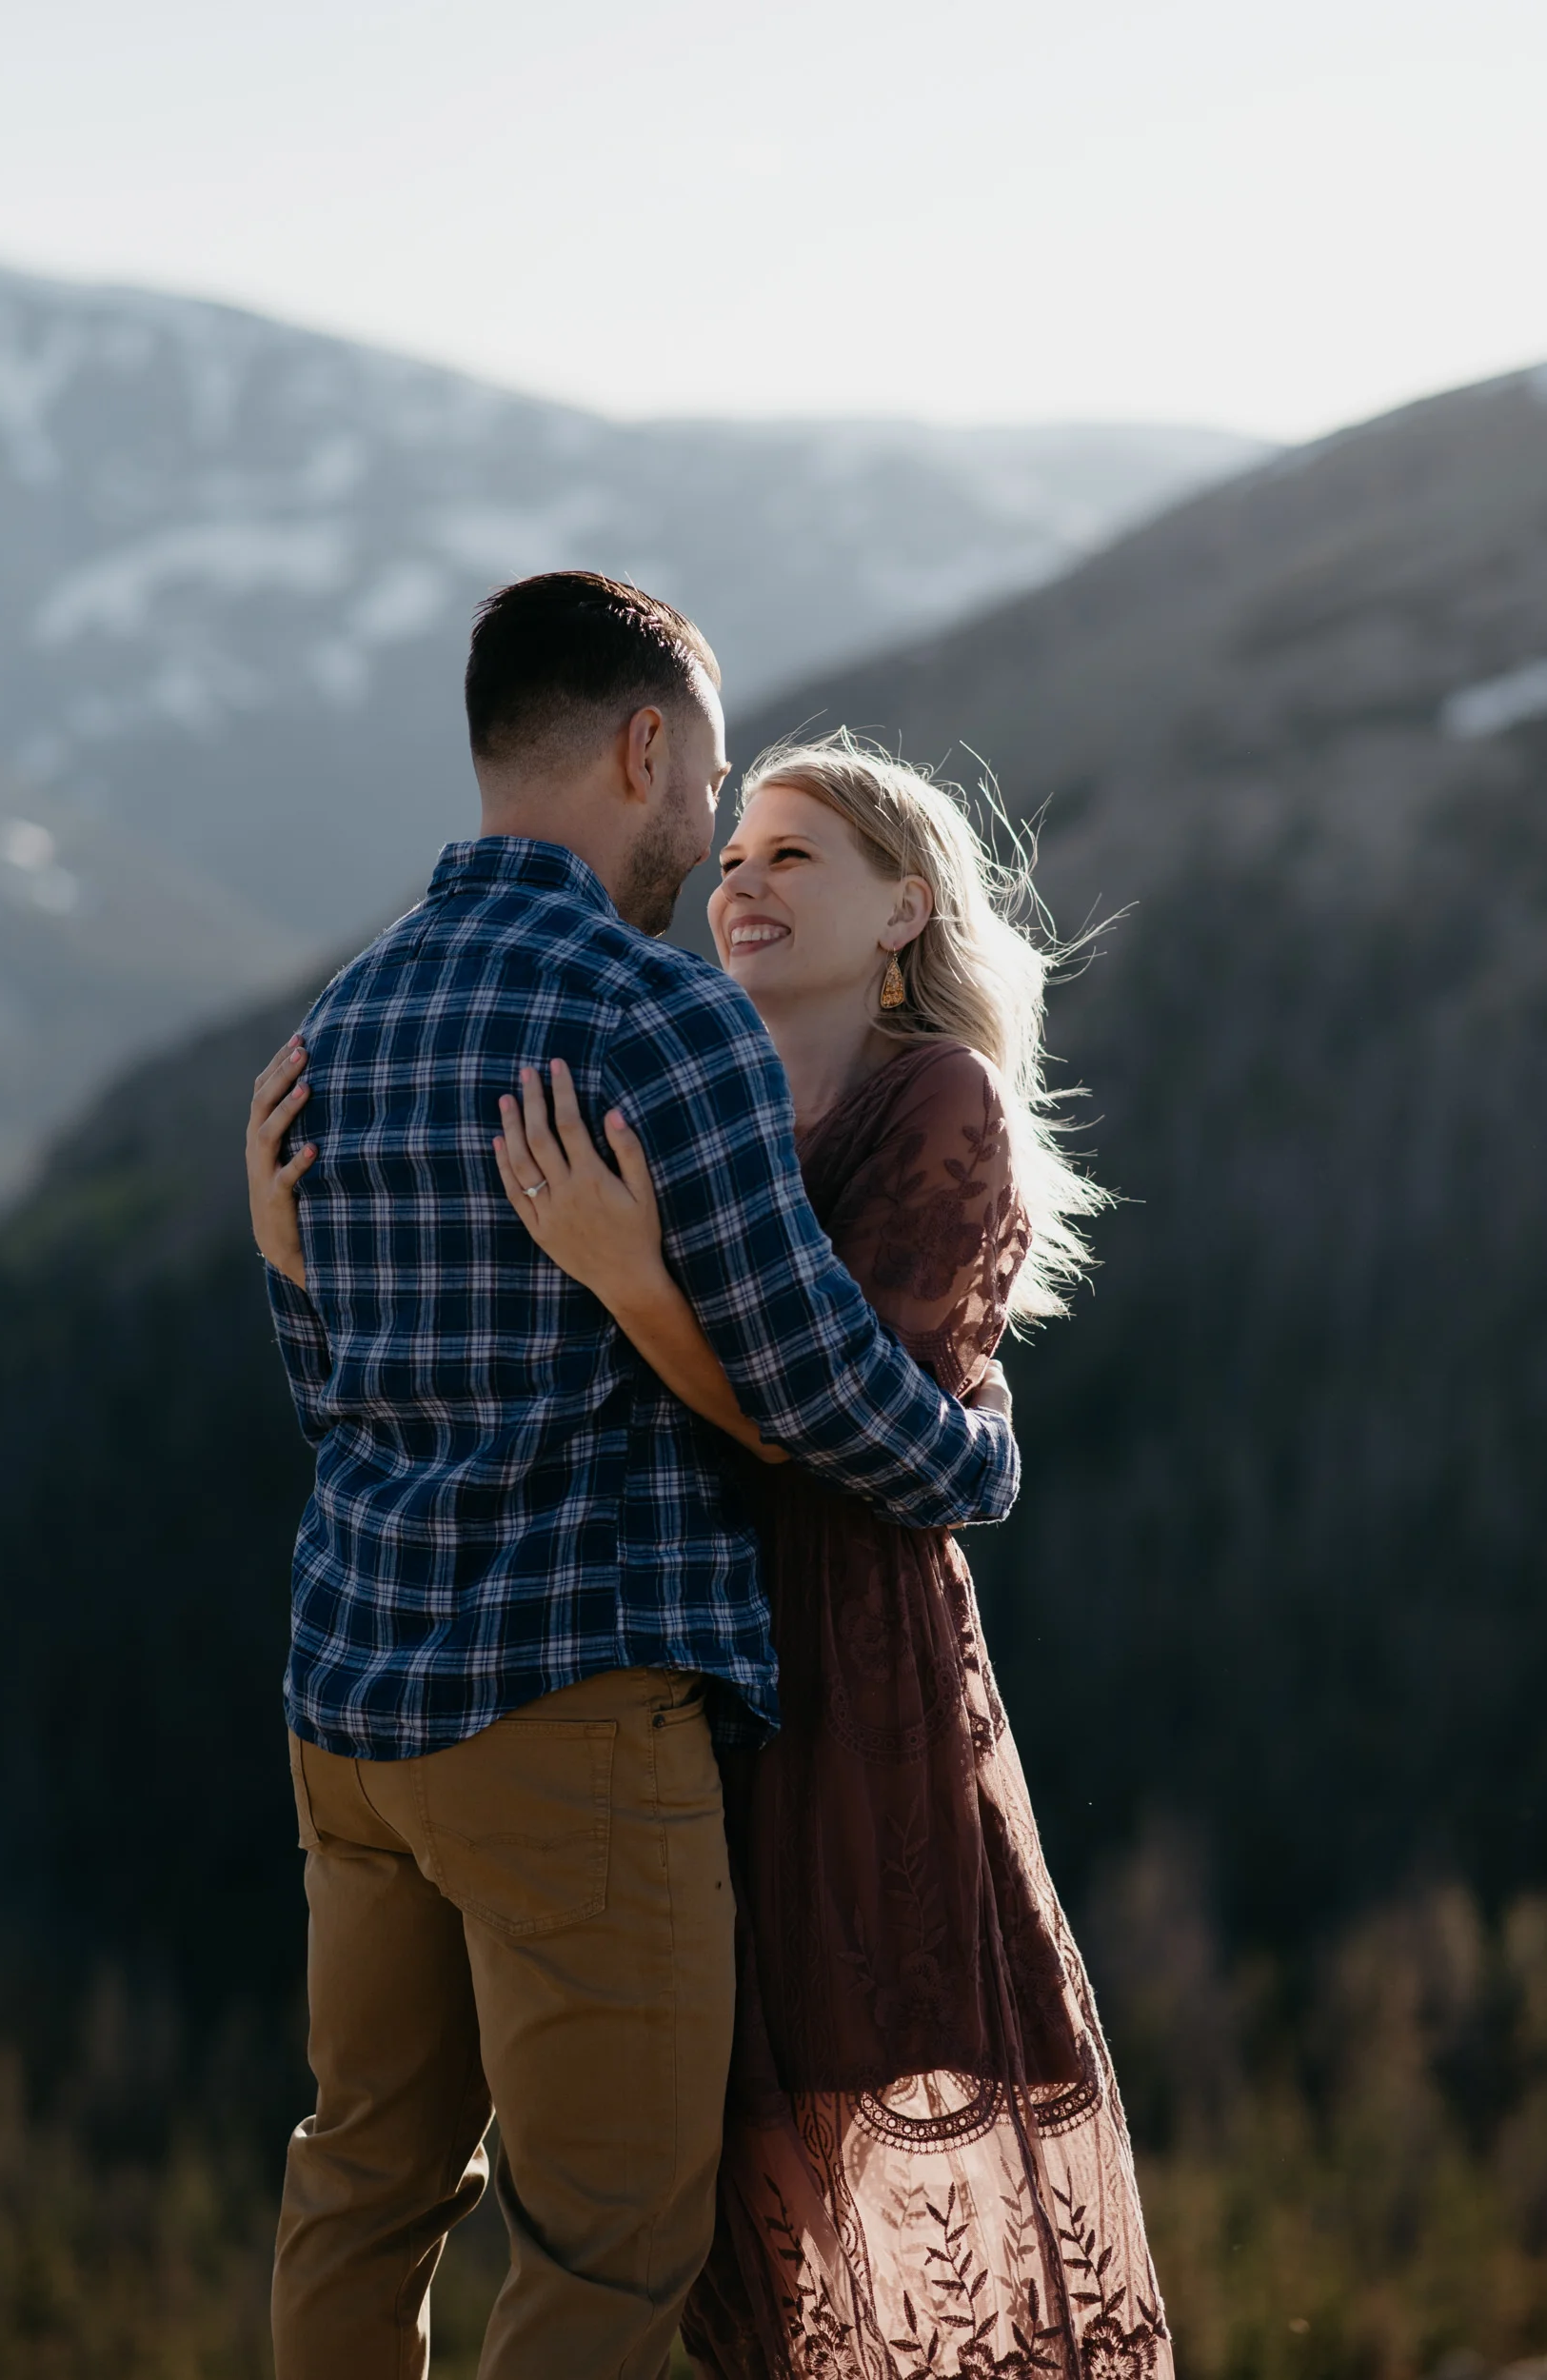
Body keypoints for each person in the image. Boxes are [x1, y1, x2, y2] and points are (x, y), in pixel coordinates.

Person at [244, 573, 1021, 2380]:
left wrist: (281, 1255)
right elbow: (815, 1384)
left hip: (350, 1710)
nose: (712, 834)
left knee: (360, 2189)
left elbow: (339, 1395)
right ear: (644, 747)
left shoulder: (345, 1023)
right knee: (607, 2249)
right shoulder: (658, 1022)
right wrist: (975, 1457)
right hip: (568, 1715)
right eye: (713, 777)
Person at [472, 736, 1173, 2379]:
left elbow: (837, 1429)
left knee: (848, 2123)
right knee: (715, 2176)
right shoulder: (704, 1086)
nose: (742, 881)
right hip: (670, 1666)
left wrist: (637, 1282)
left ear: (908, 909)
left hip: (847, 1667)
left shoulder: (937, 1097)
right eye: (734, 856)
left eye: (796, 857)